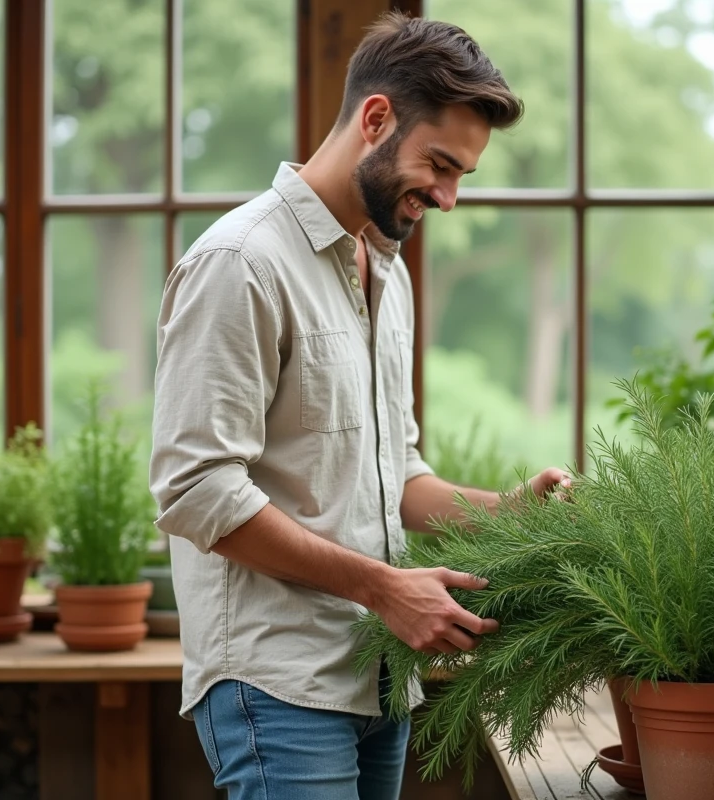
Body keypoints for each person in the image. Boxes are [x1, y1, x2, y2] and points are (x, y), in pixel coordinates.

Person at [149, 10, 571, 800]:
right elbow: (195, 489)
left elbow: (394, 474)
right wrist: (383, 586)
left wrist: (511, 512)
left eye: (461, 177)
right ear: (376, 118)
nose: (448, 198)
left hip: (379, 675)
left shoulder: (385, 270)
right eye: (439, 164)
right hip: (279, 683)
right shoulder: (239, 264)